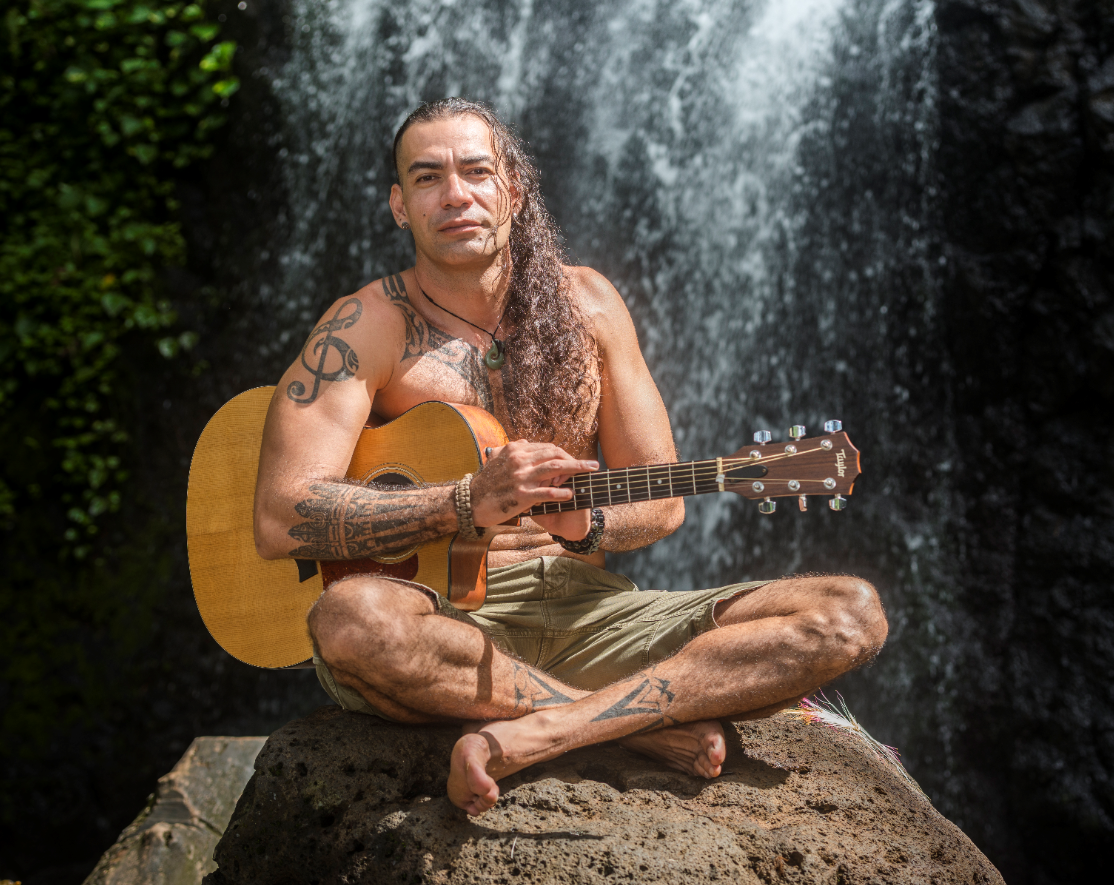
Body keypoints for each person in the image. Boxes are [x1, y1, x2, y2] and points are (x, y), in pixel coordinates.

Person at [252, 98, 888, 816]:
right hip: (444, 625)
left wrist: (587, 528)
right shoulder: (366, 325)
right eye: (427, 178)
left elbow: (663, 502)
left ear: (514, 191)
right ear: (400, 206)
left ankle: (554, 728)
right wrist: (462, 502)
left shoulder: (591, 305)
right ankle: (633, 729)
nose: (455, 194)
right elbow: (279, 516)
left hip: (592, 612)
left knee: (848, 613)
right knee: (348, 619)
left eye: (476, 172)